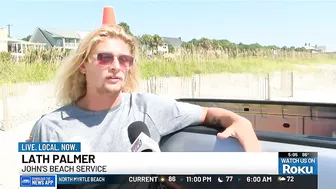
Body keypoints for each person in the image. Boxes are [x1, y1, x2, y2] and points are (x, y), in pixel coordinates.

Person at [27, 25, 261, 153]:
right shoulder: (50, 128)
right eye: (105, 58)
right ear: (83, 66)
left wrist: (240, 122)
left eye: (125, 60)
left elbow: (207, 114)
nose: (116, 67)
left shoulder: (148, 108)